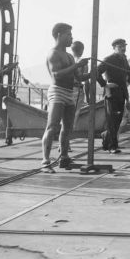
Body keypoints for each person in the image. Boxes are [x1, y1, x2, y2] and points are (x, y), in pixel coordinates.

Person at [41, 23, 89, 171]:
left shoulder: (69, 56)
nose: (71, 38)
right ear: (59, 35)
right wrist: (77, 65)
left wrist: (96, 72)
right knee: (52, 126)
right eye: (69, 35)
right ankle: (45, 161)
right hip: (57, 92)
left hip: (69, 93)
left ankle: (64, 157)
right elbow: (56, 75)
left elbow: (79, 77)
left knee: (68, 127)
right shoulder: (53, 53)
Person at [97, 38, 130, 154]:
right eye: (120, 46)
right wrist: (104, 84)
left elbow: (129, 71)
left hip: (121, 93)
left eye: (124, 45)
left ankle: (106, 135)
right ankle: (113, 146)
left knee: (117, 120)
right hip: (111, 93)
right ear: (114, 47)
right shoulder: (109, 59)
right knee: (112, 120)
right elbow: (96, 71)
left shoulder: (124, 59)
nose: (123, 48)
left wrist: (128, 82)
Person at [70, 41, 91, 141]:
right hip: (77, 91)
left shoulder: (69, 59)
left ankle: (64, 142)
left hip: (67, 89)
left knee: (66, 117)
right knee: (74, 117)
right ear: (82, 50)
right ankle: (66, 143)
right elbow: (86, 81)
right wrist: (88, 97)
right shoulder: (83, 62)